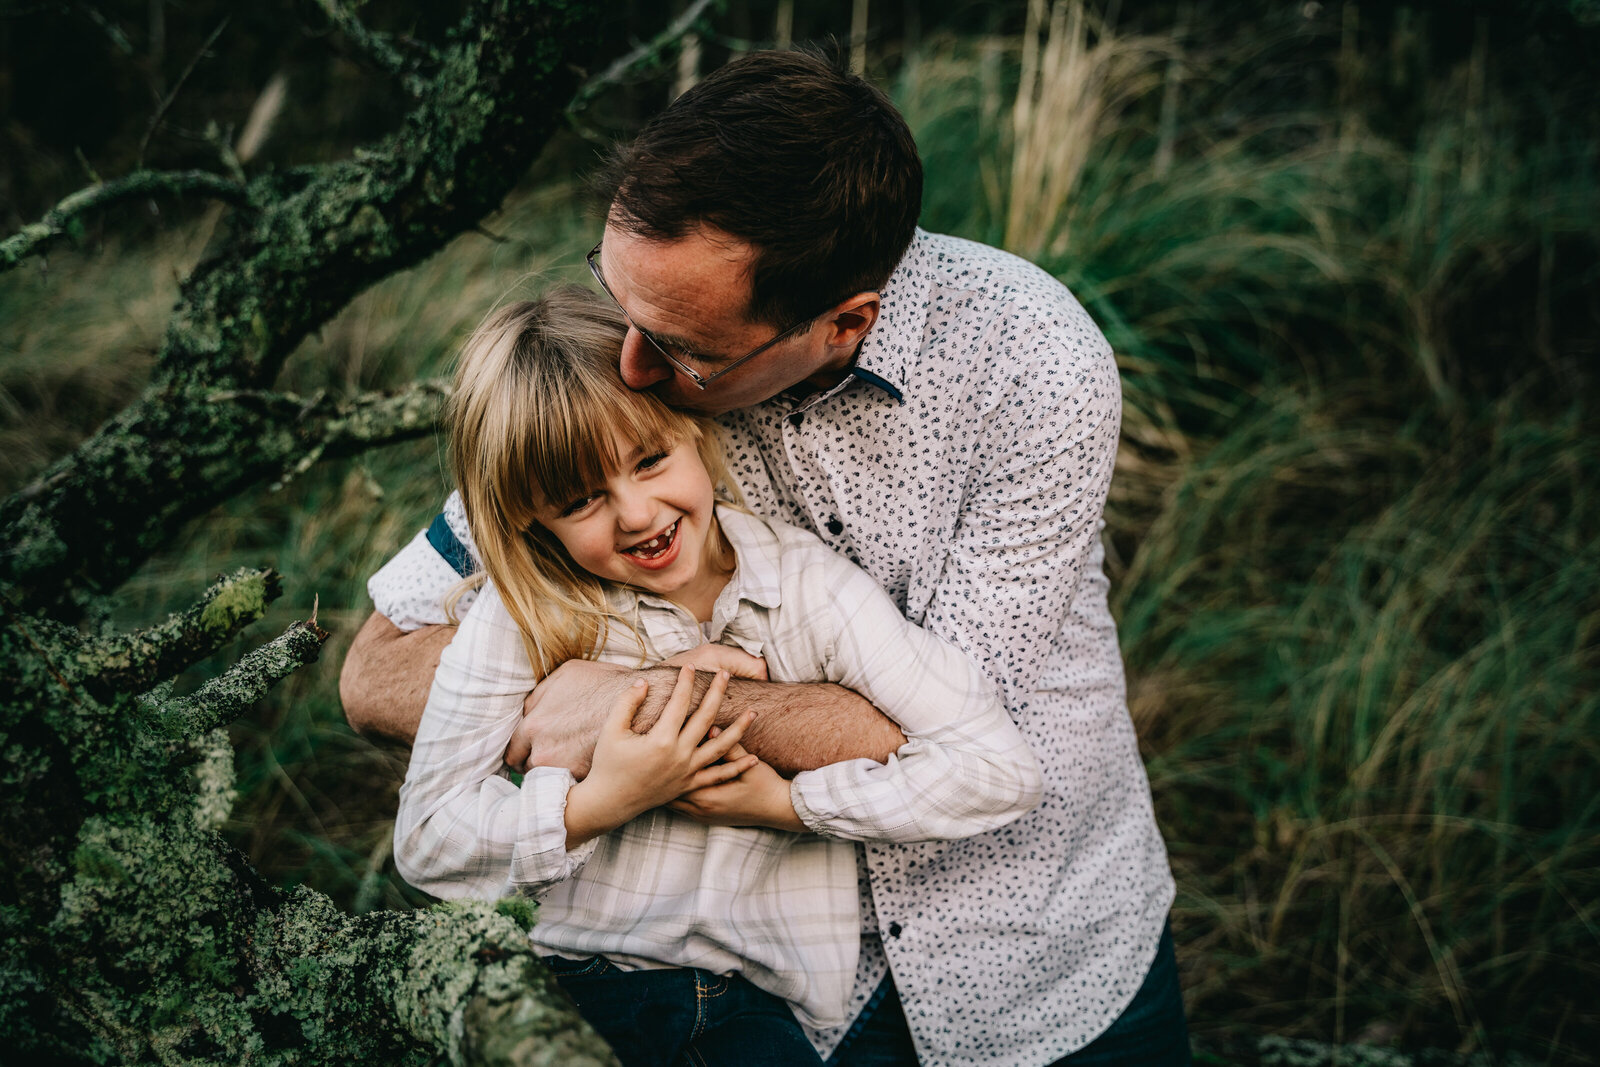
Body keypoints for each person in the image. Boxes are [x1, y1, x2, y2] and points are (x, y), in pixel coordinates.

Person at [346, 49, 1187, 1067]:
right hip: (740, 987)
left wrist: (636, 704)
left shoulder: (1030, 362)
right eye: (618, 304)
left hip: (1032, 945)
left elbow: (946, 728)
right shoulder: (644, 327)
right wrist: (559, 698)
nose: (631, 365)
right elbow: (379, 669)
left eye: (685, 356)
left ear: (844, 325)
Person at [394, 289, 1044, 1067]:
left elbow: (998, 769)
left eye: (651, 459)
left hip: (751, 1013)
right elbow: (427, 838)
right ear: (531, 514)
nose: (636, 513)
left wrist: (789, 803)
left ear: (695, 430)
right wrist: (597, 802)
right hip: (573, 978)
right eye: (582, 499)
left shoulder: (809, 588)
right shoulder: (528, 610)